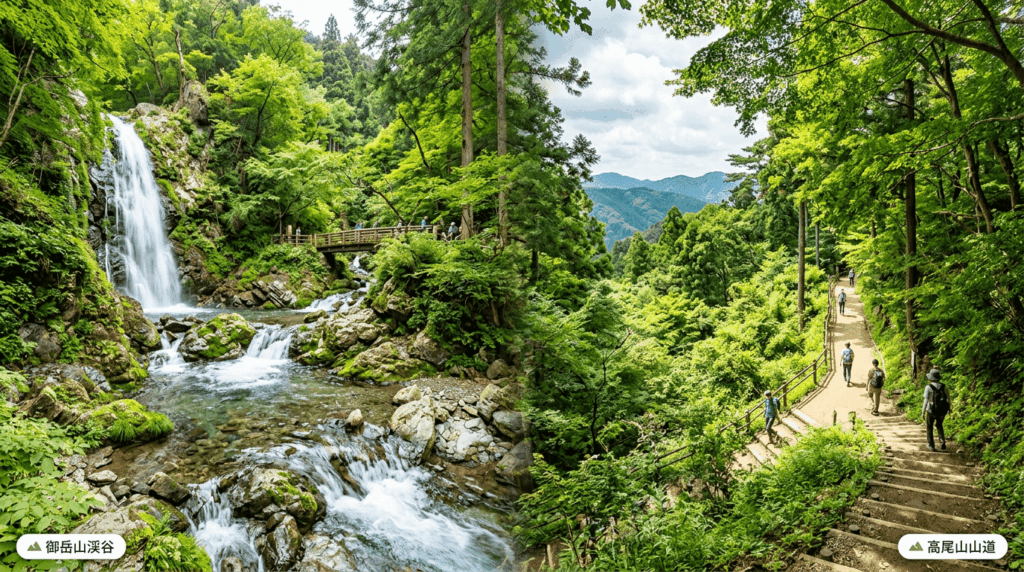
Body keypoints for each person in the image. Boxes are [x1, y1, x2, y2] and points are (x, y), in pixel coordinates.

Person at [922, 368, 952, 451]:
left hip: (931, 411)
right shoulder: (944, 386)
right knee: (939, 425)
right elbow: (948, 398)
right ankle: (942, 442)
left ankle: (931, 445)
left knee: (929, 427)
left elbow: (926, 400)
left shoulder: (928, 387)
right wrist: (949, 408)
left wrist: (923, 412)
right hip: (942, 411)